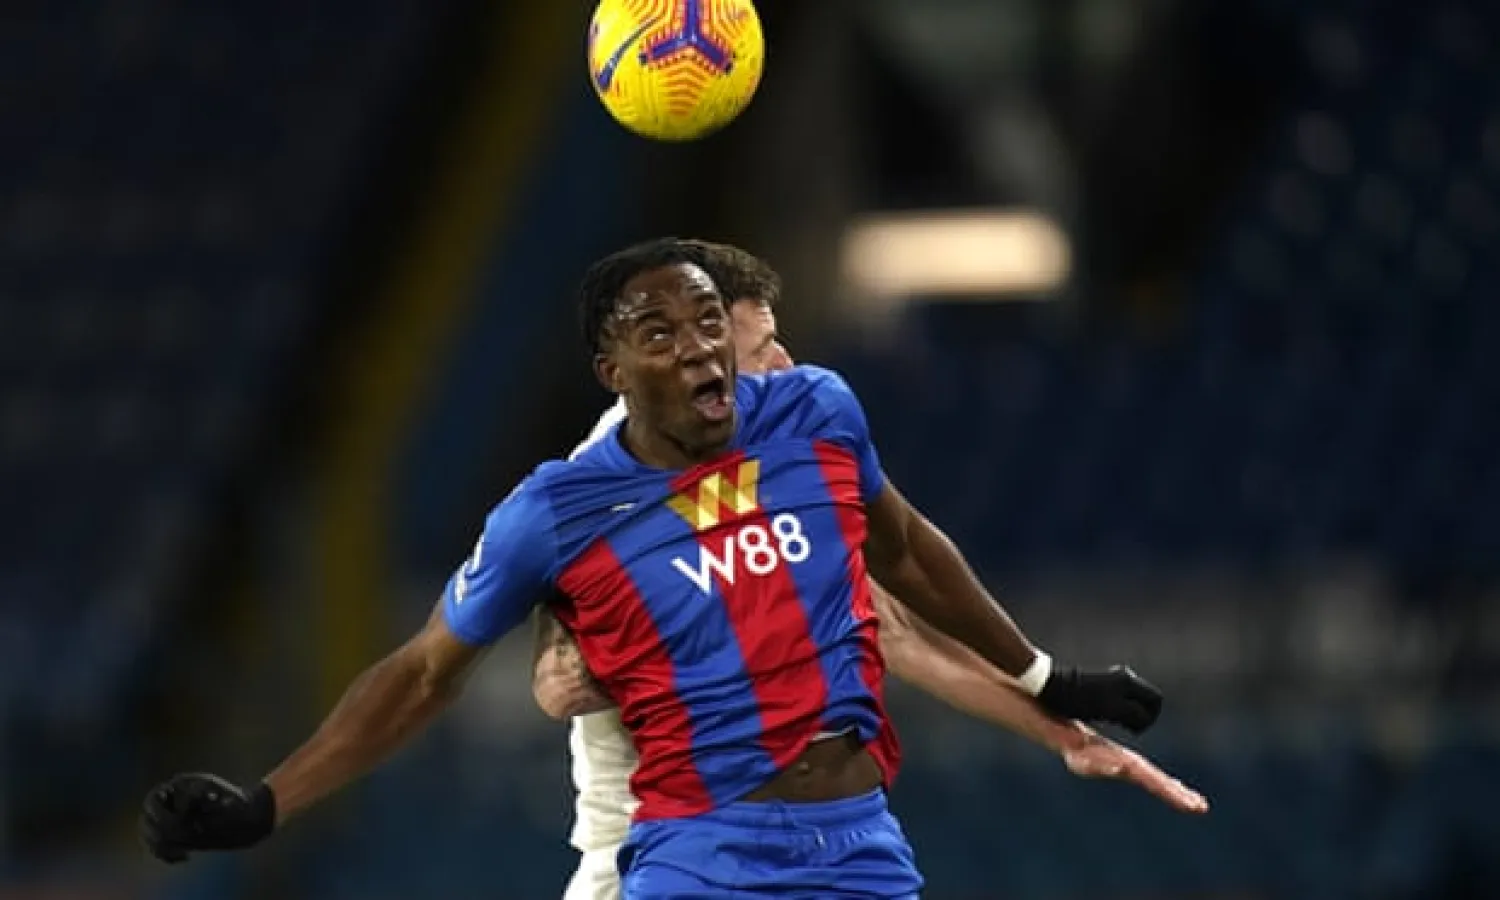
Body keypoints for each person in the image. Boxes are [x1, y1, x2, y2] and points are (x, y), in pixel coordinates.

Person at [140, 238, 1171, 899]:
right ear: (614, 371)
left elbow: (903, 554)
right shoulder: (561, 510)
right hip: (693, 857)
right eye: (660, 334)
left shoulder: (813, 415)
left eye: (711, 323)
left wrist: (1048, 684)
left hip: (859, 845)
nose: (700, 349)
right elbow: (421, 675)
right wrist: (267, 802)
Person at [533, 241, 1207, 899]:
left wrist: (1063, 731)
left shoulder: (768, 456)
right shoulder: (612, 485)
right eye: (760, 345)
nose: (785, 359)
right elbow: (558, 684)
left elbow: (898, 628)